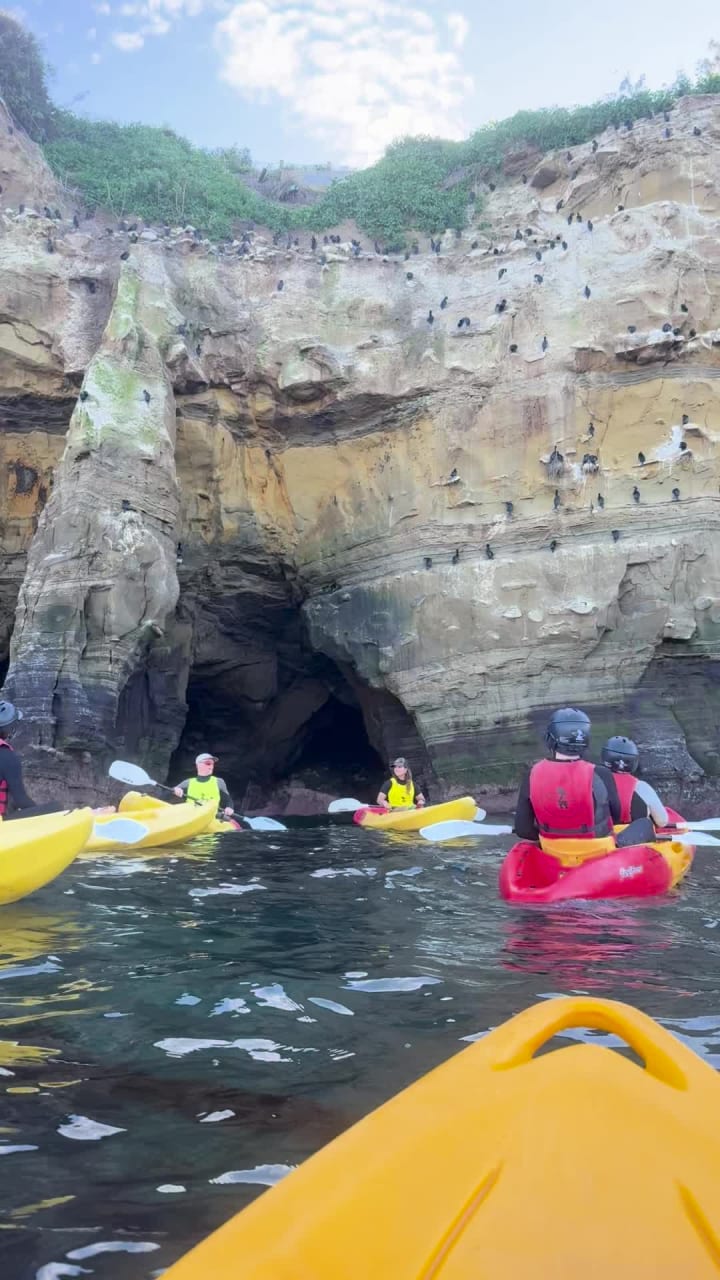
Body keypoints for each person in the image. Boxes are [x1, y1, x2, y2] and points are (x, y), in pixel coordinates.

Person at [513, 707, 623, 854]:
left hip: (553, 852)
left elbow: (523, 829)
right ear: (585, 740)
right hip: (597, 852)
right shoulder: (601, 774)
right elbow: (616, 817)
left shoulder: (532, 775)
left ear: (550, 739)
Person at [601, 736, 669, 828]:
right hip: (635, 839)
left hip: (602, 838)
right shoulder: (642, 787)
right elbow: (662, 821)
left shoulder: (593, 781)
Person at [174, 753, 234, 818]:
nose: (211, 766)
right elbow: (168, 793)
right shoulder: (188, 782)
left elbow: (228, 800)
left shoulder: (219, 782)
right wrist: (175, 790)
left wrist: (229, 808)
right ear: (198, 765)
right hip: (190, 817)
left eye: (213, 764)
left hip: (211, 818)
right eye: (208, 763)